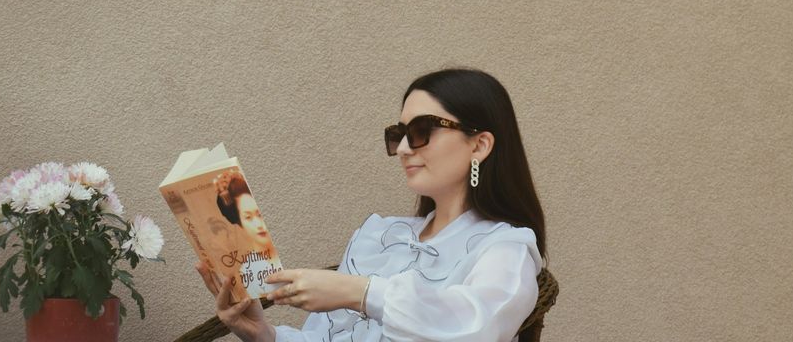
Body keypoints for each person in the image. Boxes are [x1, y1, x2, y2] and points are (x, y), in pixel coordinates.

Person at [197, 68, 547, 342]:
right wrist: (262, 334)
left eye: (422, 130)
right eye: (399, 134)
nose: (405, 148)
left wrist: (359, 292)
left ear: (479, 145)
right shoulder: (378, 236)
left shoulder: (505, 248)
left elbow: (477, 328)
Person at [215, 169, 279, 262]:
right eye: (248, 217)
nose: (258, 224)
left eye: (260, 214)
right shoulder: (248, 270)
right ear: (240, 222)